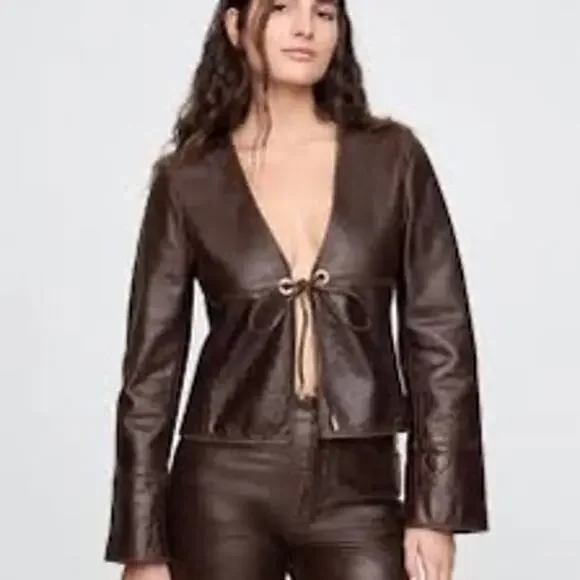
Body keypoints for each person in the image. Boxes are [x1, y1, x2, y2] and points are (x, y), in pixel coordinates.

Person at [103, 1, 489, 579]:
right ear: (236, 26)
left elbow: (442, 342)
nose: (306, 27)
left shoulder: (393, 159)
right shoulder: (188, 178)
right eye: (281, 7)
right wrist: (143, 545)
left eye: (324, 12)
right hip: (221, 488)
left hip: (360, 486)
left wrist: (436, 511)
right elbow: (150, 373)